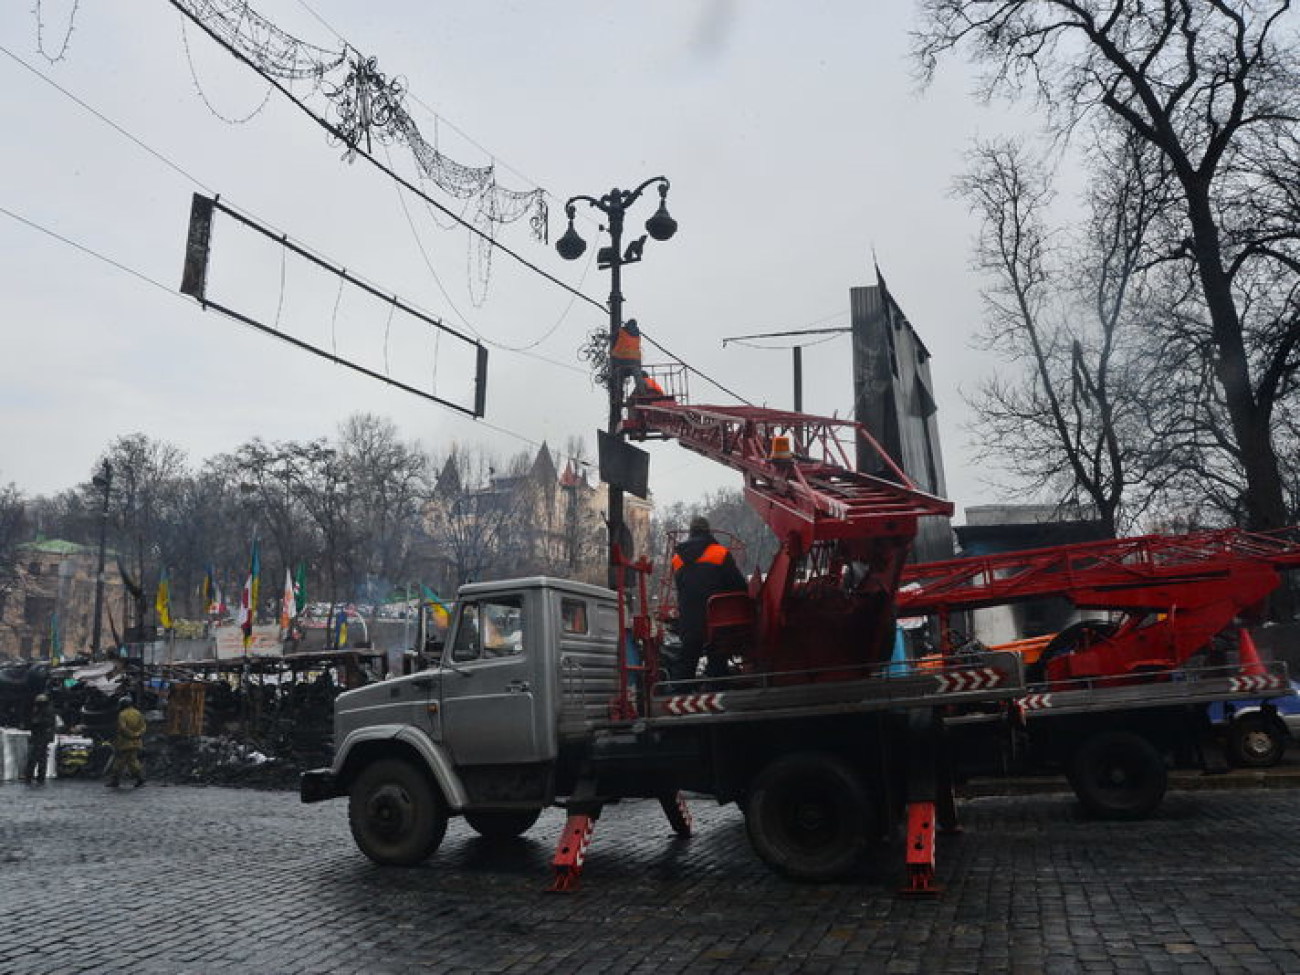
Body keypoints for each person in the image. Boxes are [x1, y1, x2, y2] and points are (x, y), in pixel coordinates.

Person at [670, 516, 748, 682]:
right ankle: (717, 681)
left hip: (689, 620)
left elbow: (682, 587)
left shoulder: (677, 559)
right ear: (707, 532)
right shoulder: (721, 553)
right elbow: (738, 584)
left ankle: (681, 690)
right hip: (718, 620)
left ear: (691, 532)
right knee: (718, 655)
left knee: (687, 659)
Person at [106, 695, 146, 789]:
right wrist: (137, 734)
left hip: (124, 742)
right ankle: (140, 778)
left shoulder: (122, 714)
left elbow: (122, 728)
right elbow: (143, 726)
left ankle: (115, 781)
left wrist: (130, 735)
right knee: (133, 760)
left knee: (119, 762)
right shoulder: (138, 713)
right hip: (137, 742)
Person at [23, 693, 56, 784]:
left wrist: (36, 723)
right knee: (41, 758)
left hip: (41, 736)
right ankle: (38, 777)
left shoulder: (47, 711)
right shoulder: (43, 710)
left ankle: (30, 777)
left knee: (34, 758)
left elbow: (46, 723)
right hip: (40, 736)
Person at [610, 319, 642, 391]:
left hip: (622, 360)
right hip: (636, 361)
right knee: (638, 376)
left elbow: (612, 338)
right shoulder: (638, 334)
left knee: (618, 376)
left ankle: (619, 393)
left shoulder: (621, 331)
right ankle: (642, 390)